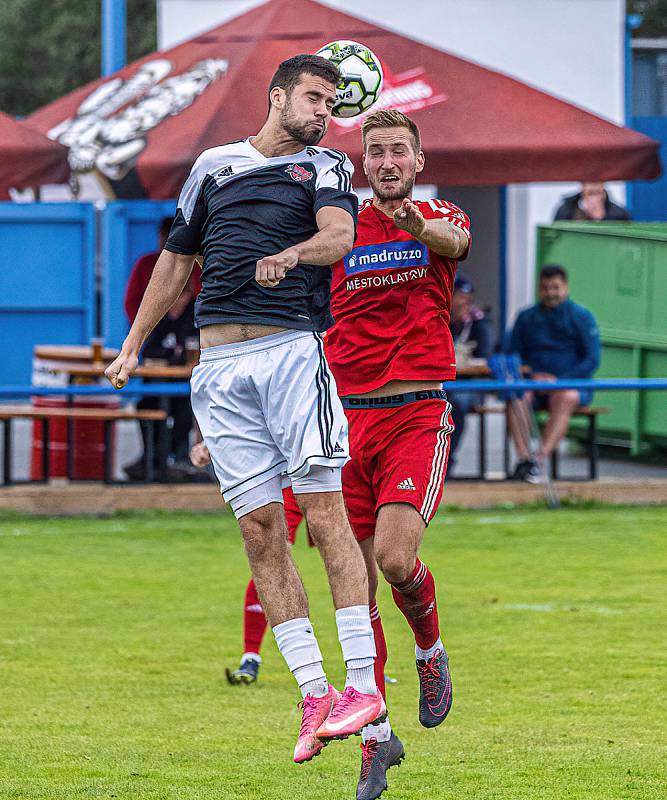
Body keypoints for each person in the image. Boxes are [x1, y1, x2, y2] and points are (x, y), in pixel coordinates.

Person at [105, 54, 385, 765]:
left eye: (332, 104)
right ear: (278, 95)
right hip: (219, 369)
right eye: (315, 99)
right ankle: (315, 694)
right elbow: (176, 259)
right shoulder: (213, 166)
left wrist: (291, 256)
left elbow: (339, 239)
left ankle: (361, 685)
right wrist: (134, 344)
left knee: (323, 520)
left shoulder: (325, 166)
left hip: (291, 353)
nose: (325, 113)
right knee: (261, 533)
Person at [325, 109, 471, 800]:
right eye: (375, 150)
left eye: (397, 151)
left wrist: (416, 225)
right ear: (362, 162)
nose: (386, 161)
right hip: (343, 422)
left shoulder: (439, 216)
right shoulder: (338, 230)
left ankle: (430, 651)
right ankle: (376, 742)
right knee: (355, 595)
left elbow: (450, 239)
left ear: (415, 161)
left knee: (392, 559)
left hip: (415, 412)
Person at [122, 217, 203, 481]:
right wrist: (145, 331)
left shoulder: (197, 267)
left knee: (185, 405)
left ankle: (177, 458)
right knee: (149, 403)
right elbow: (132, 303)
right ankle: (153, 458)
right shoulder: (147, 264)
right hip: (155, 352)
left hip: (187, 358)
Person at [507, 264, 600, 482]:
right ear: (539, 289)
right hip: (534, 384)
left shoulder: (582, 317)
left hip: (571, 385)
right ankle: (524, 460)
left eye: (555, 288)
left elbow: (592, 359)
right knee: (516, 397)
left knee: (565, 396)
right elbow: (513, 354)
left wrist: (559, 380)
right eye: (546, 288)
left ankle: (539, 460)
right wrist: (532, 376)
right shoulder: (525, 317)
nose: (550, 293)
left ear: (565, 287)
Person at [447, 274, 495, 466]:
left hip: (471, 384)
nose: (462, 303)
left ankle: (448, 460)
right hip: (445, 382)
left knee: (454, 404)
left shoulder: (480, 323)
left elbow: (485, 354)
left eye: (467, 299)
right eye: (458, 297)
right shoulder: (440, 319)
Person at [553, 182, 631, 221]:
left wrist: (601, 218)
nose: (593, 185)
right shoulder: (566, 209)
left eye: (597, 181)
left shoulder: (619, 214)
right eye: (590, 193)